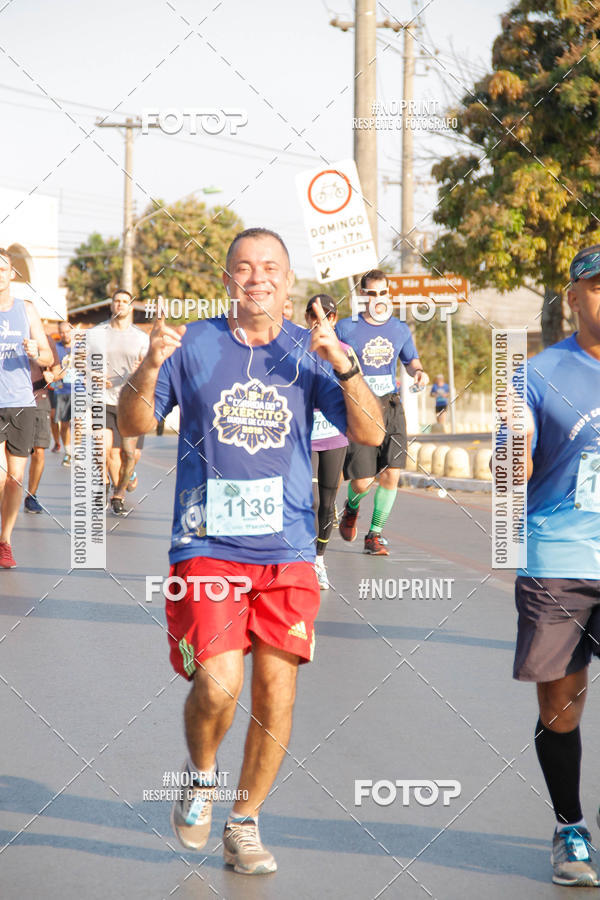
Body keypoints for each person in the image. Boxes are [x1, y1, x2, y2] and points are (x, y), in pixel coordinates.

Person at [118, 227, 382, 875]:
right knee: (218, 682)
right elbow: (133, 423)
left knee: (275, 687)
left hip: (288, 548)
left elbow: (369, 432)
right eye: (243, 267)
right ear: (228, 278)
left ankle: (245, 820)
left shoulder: (311, 349)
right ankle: (201, 772)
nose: (257, 277)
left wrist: (343, 362)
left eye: (270, 268)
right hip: (206, 541)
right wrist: (150, 365)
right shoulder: (196, 343)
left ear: (288, 282)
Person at [513, 243, 600, 887]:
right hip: (560, 558)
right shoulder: (537, 374)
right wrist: (508, 452)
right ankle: (570, 827)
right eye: (596, 287)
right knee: (560, 708)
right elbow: (509, 473)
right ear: (573, 298)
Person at [336, 269, 428, 555]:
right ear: (362, 295)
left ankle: (374, 535)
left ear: (390, 295)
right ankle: (351, 508)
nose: (377, 298)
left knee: (391, 473)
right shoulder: (345, 328)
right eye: (371, 293)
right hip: (360, 407)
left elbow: (411, 359)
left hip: (391, 406)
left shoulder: (400, 329)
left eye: (383, 293)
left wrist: (419, 372)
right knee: (362, 482)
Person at [0, 248, 53, 567]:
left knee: (15, 478)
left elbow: (48, 357)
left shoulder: (27, 310)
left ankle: (5, 540)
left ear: (12, 274)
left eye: (3, 269)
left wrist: (37, 352)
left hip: (21, 402)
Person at [88, 289, 149, 516]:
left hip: (131, 404)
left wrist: (141, 370)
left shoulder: (141, 337)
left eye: (125, 301)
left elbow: (153, 367)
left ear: (131, 307)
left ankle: (120, 491)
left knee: (129, 455)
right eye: (117, 301)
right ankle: (105, 490)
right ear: (111, 305)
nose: (120, 305)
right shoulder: (96, 334)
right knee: (103, 450)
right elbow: (79, 361)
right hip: (102, 400)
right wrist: (93, 374)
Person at [305, 294, 351, 590]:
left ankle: (319, 560)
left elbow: (355, 391)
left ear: (334, 318)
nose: (319, 319)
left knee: (328, 503)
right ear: (306, 318)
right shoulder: (298, 350)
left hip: (335, 437)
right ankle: (304, 558)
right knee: (312, 501)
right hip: (305, 437)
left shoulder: (345, 351)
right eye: (312, 314)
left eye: (327, 315)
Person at [24, 330, 60, 514]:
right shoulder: (6, 333)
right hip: (10, 401)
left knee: (38, 451)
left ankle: (32, 495)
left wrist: (53, 376)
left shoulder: (45, 340)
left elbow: (58, 369)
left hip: (39, 399)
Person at [53, 320, 74, 467]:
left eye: (67, 331)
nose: (64, 334)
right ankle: (68, 451)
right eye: (62, 332)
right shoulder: (56, 348)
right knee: (64, 424)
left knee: (78, 423)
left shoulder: (81, 348)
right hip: (62, 390)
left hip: (79, 390)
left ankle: (77, 451)